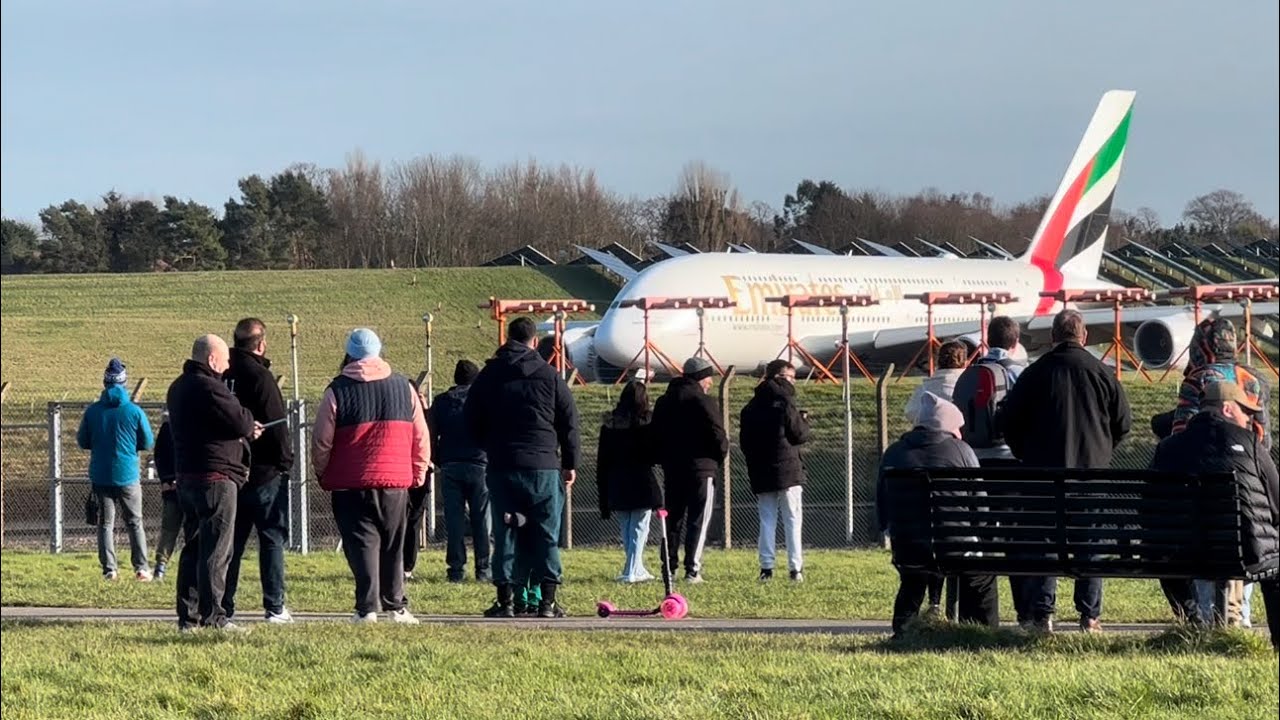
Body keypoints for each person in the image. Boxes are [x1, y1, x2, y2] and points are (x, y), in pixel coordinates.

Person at [1001, 309, 1132, 633]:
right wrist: (1102, 450)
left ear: (1053, 337)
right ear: (1083, 337)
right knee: (1090, 542)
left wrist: (1025, 453)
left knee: (1044, 542)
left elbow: (1008, 422)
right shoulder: (1102, 374)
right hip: (1090, 477)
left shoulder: (1035, 373)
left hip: (1043, 477)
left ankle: (1043, 614)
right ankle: (1089, 616)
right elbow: (1123, 423)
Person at [313, 329, 431, 624]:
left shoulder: (336, 390)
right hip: (395, 481)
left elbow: (322, 441)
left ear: (349, 354)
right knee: (393, 544)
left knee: (361, 544)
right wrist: (417, 473)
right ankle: (396, 606)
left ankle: (367, 608)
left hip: (351, 483)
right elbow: (421, 436)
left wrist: (323, 472)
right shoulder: (404, 388)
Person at [465, 317, 579, 618]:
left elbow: (470, 418)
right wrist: (569, 463)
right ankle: (547, 601)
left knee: (505, 532)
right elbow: (569, 422)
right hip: (543, 464)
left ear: (508, 338)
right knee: (545, 532)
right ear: (532, 341)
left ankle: (507, 601)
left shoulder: (489, 375)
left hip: (503, 466)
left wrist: (488, 446)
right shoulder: (549, 375)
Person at [1151, 382, 1279, 649]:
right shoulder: (1252, 445)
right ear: (1227, 408)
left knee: (1165, 555)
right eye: (1246, 411)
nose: (1248, 418)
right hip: (1246, 554)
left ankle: (1193, 622)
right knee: (1275, 568)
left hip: (1181, 555)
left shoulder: (1169, 448)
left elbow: (1149, 508)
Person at [877, 392, 998, 637]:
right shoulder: (960, 451)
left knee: (913, 578)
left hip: (908, 548)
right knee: (981, 576)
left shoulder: (893, 453)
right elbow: (980, 505)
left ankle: (902, 630)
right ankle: (981, 632)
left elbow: (882, 505)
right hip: (955, 547)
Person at [167, 335, 262, 631]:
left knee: (194, 545)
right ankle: (214, 617)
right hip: (216, 478)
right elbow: (241, 421)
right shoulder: (210, 387)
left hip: (187, 476)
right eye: (225, 359)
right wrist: (249, 426)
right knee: (217, 549)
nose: (228, 364)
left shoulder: (178, 387)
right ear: (211, 359)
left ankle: (188, 617)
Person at [952, 315, 1028, 623]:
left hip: (975, 462)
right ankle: (1026, 613)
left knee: (981, 540)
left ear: (988, 339)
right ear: (1015, 342)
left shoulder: (970, 373)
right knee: (1015, 539)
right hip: (1009, 463)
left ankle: (981, 616)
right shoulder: (1019, 374)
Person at [222, 318, 295, 625]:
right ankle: (274, 606)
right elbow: (276, 424)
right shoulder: (261, 377)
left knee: (230, 545)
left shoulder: (222, 374)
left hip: (230, 471)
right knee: (271, 539)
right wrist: (285, 461)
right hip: (264, 472)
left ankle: (223, 604)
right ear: (261, 344)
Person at [651, 356, 728, 583]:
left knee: (673, 519)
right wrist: (718, 456)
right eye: (708, 378)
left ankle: (669, 567)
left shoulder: (664, 401)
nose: (710, 383)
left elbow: (654, 434)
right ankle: (692, 569)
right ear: (700, 378)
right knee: (699, 519)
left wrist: (663, 457)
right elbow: (718, 434)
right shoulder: (703, 401)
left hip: (673, 469)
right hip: (702, 468)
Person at [77, 358, 154, 581]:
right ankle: (141, 567)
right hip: (128, 474)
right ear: (124, 383)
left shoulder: (93, 412)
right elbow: (147, 442)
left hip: (101, 475)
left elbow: (83, 441)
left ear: (105, 383)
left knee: (105, 524)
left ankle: (109, 569)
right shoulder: (134, 411)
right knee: (135, 522)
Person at [740, 360, 811, 583]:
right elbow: (798, 435)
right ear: (780, 377)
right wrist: (805, 421)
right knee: (792, 518)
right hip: (788, 467)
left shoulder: (751, 406)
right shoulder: (785, 402)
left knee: (767, 518)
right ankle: (795, 567)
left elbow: (745, 442)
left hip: (761, 468)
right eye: (790, 377)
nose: (793, 381)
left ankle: (766, 568)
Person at [426, 359, 491, 583]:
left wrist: (439, 460)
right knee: (481, 518)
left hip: (451, 465)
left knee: (453, 520)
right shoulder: (483, 401)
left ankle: (455, 570)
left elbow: (430, 436)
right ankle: (483, 569)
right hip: (480, 464)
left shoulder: (441, 402)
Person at [597, 380, 662, 583]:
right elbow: (654, 454)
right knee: (640, 527)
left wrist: (603, 493)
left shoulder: (610, 425)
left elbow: (602, 460)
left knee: (626, 526)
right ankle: (632, 570)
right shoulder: (648, 424)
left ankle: (635, 566)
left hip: (617, 480)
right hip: (642, 480)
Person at [904, 340, 969, 424]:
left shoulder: (926, 386)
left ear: (938, 362)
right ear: (965, 363)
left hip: (928, 432)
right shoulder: (968, 384)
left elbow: (910, 411)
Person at [151, 412, 182, 580]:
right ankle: (160, 566)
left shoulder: (169, 425)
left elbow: (160, 455)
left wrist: (167, 478)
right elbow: (160, 455)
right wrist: (167, 478)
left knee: (171, 528)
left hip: (180, 483)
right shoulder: (169, 426)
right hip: (180, 484)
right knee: (170, 528)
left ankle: (161, 567)